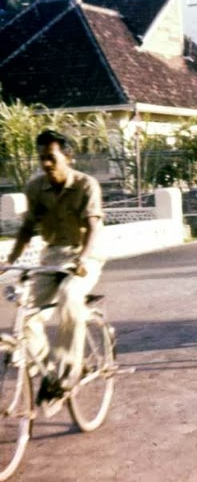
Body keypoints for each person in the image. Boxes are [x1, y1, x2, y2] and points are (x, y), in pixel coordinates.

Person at [1, 129, 105, 412]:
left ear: (68, 156)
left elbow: (94, 226)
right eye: (42, 159)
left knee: (71, 296)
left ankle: (69, 371)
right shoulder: (35, 187)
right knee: (26, 310)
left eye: (51, 158)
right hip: (51, 257)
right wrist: (10, 260)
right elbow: (27, 227)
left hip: (84, 255)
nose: (46, 164)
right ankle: (50, 372)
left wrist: (83, 259)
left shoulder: (87, 185)